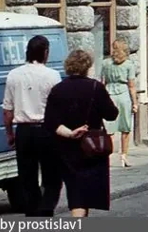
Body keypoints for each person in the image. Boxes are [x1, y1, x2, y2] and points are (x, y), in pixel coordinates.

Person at [43, 50, 118, 217]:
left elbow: (50, 122)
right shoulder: (95, 87)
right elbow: (112, 114)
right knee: (86, 194)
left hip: (66, 148)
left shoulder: (58, 89)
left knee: (75, 192)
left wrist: (70, 133)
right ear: (87, 67)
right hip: (92, 147)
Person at [2, 35, 62, 217]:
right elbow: (58, 106)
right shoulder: (52, 75)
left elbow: (7, 110)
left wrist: (9, 134)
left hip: (24, 131)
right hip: (46, 130)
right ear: (45, 52)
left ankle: (32, 209)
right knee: (52, 174)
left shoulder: (14, 75)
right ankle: (46, 208)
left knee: (27, 175)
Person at [100, 38, 138, 168]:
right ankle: (124, 156)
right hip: (124, 95)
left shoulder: (105, 63)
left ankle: (109, 157)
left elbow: (102, 82)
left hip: (110, 95)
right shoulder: (128, 65)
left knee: (110, 129)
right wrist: (135, 103)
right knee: (125, 127)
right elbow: (132, 85)